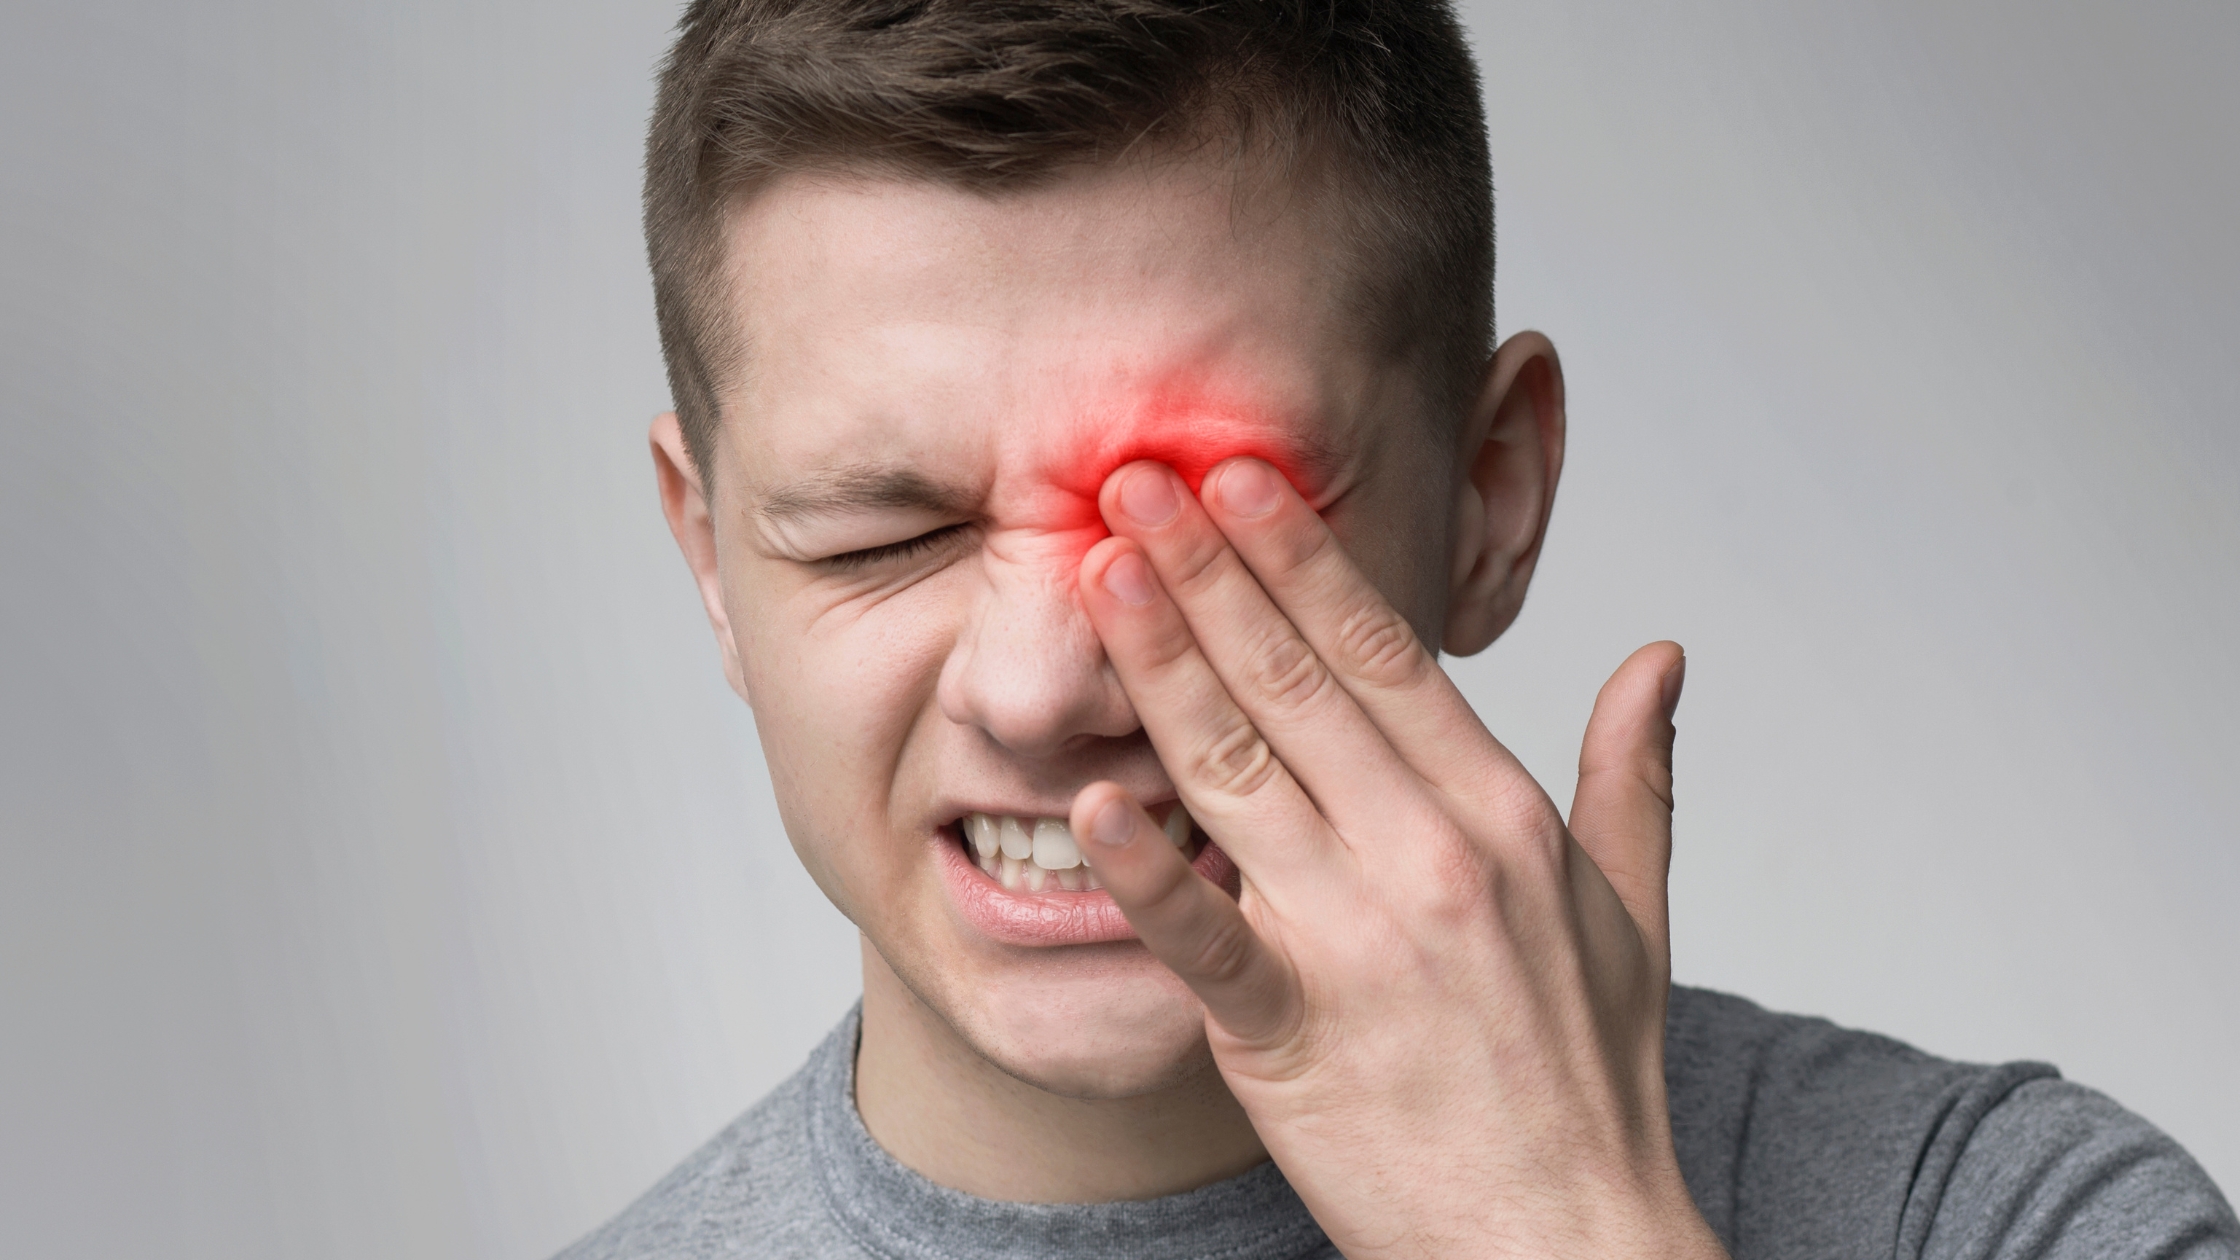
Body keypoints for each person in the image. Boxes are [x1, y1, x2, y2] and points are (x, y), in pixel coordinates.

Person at [559, 2, 2238, 1256]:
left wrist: (1566, 1228)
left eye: (1209, 516)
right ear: (711, 558)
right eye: (890, 532)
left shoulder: (2010, 1217)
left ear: (1490, 498)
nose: (1041, 684)